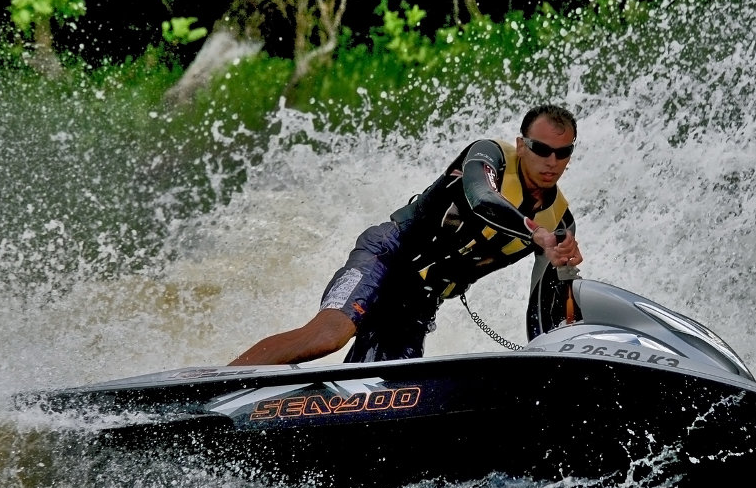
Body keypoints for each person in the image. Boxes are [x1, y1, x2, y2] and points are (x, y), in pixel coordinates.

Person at [228, 103, 583, 365]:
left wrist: (554, 361)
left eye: (562, 152)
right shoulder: (489, 155)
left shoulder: (559, 223)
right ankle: (214, 385)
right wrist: (535, 233)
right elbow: (481, 199)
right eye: (541, 149)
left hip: (418, 298)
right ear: (522, 146)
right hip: (386, 256)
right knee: (328, 336)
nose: (551, 161)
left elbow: (545, 318)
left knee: (385, 389)